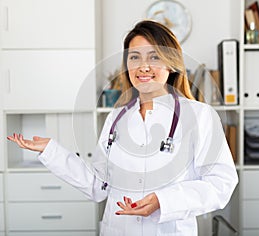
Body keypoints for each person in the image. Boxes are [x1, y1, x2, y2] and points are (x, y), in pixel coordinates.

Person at [7, 20, 238, 236]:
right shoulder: (117, 117)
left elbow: (221, 183)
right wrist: (51, 151)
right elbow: (98, 185)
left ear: (171, 63)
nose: (143, 66)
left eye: (154, 57)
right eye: (134, 57)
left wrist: (163, 201)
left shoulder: (199, 115)